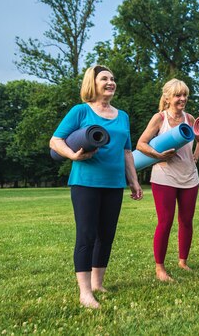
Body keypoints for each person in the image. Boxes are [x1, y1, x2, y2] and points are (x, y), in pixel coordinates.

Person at [50, 65, 143, 309]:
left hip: (114, 183)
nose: (110, 82)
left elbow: (126, 152)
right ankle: (85, 293)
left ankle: (98, 283)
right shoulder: (80, 111)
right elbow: (55, 140)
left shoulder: (122, 116)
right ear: (93, 83)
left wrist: (133, 181)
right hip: (85, 182)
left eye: (113, 79)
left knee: (107, 235)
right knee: (87, 235)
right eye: (104, 78)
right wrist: (73, 155)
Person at [136, 79, 199, 282]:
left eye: (184, 95)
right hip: (164, 176)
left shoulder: (190, 118)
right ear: (167, 98)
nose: (182, 99)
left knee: (186, 221)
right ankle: (160, 268)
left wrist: (195, 158)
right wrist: (157, 156)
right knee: (165, 222)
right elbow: (141, 144)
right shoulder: (159, 119)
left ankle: (183, 262)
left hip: (189, 177)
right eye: (177, 95)